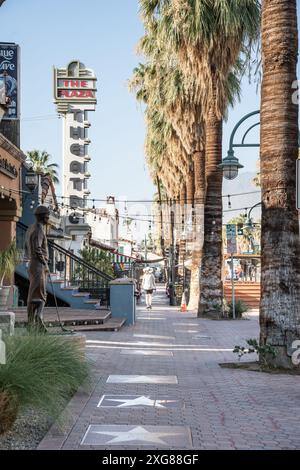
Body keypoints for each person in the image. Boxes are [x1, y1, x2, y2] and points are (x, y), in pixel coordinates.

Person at [25, 205, 50, 331]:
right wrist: (45, 262)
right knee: (41, 295)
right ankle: (38, 318)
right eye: (47, 215)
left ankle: (32, 322)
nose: (48, 218)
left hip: (34, 264)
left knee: (34, 293)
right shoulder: (39, 229)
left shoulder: (31, 228)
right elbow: (37, 249)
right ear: (42, 216)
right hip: (38, 265)